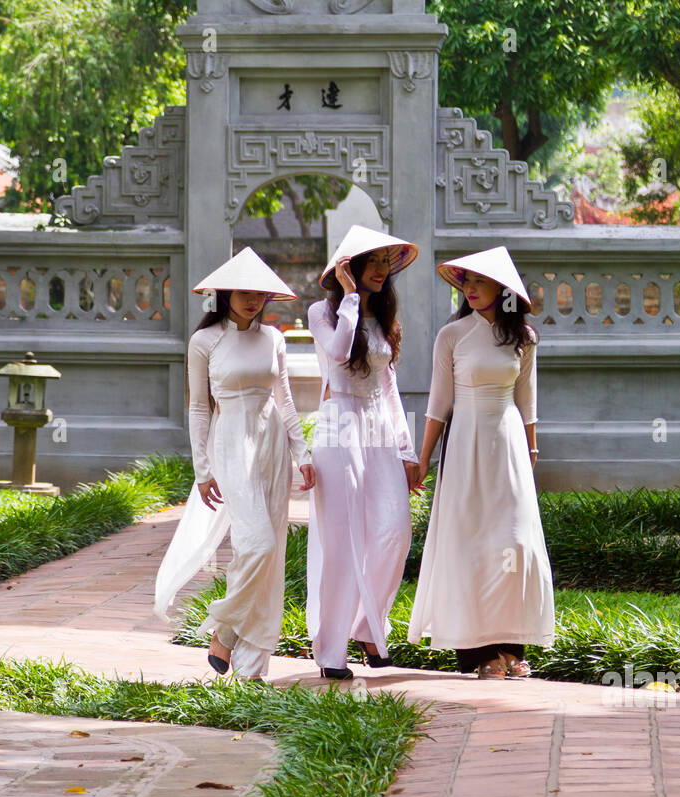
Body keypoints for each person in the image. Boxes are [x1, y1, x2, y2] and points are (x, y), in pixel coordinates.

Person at [153, 247, 316, 681]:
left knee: (270, 552)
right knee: (256, 544)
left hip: (272, 449)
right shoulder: (205, 341)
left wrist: (302, 453)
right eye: (243, 292)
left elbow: (284, 399)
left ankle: (251, 666)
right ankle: (223, 628)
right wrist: (202, 468)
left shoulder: (274, 339)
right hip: (230, 448)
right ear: (224, 294)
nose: (252, 300)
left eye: (259, 293)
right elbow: (199, 408)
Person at [407, 246, 555, 679]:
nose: (469, 289)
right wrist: (423, 460)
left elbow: (528, 402)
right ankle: (476, 653)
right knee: (470, 543)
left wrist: (530, 455)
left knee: (514, 543)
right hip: (465, 442)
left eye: (478, 281)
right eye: (465, 282)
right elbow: (439, 403)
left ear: (501, 288)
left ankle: (513, 646)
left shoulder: (524, 338)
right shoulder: (451, 336)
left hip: (508, 444)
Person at [306, 225, 422, 680]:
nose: (381, 269)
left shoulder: (385, 319)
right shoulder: (323, 311)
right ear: (349, 268)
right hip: (339, 428)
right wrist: (350, 298)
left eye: (385, 262)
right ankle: (331, 650)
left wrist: (407, 450)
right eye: (372, 261)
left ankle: (367, 624)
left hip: (378, 430)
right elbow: (337, 355)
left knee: (395, 530)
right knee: (342, 540)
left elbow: (389, 388)